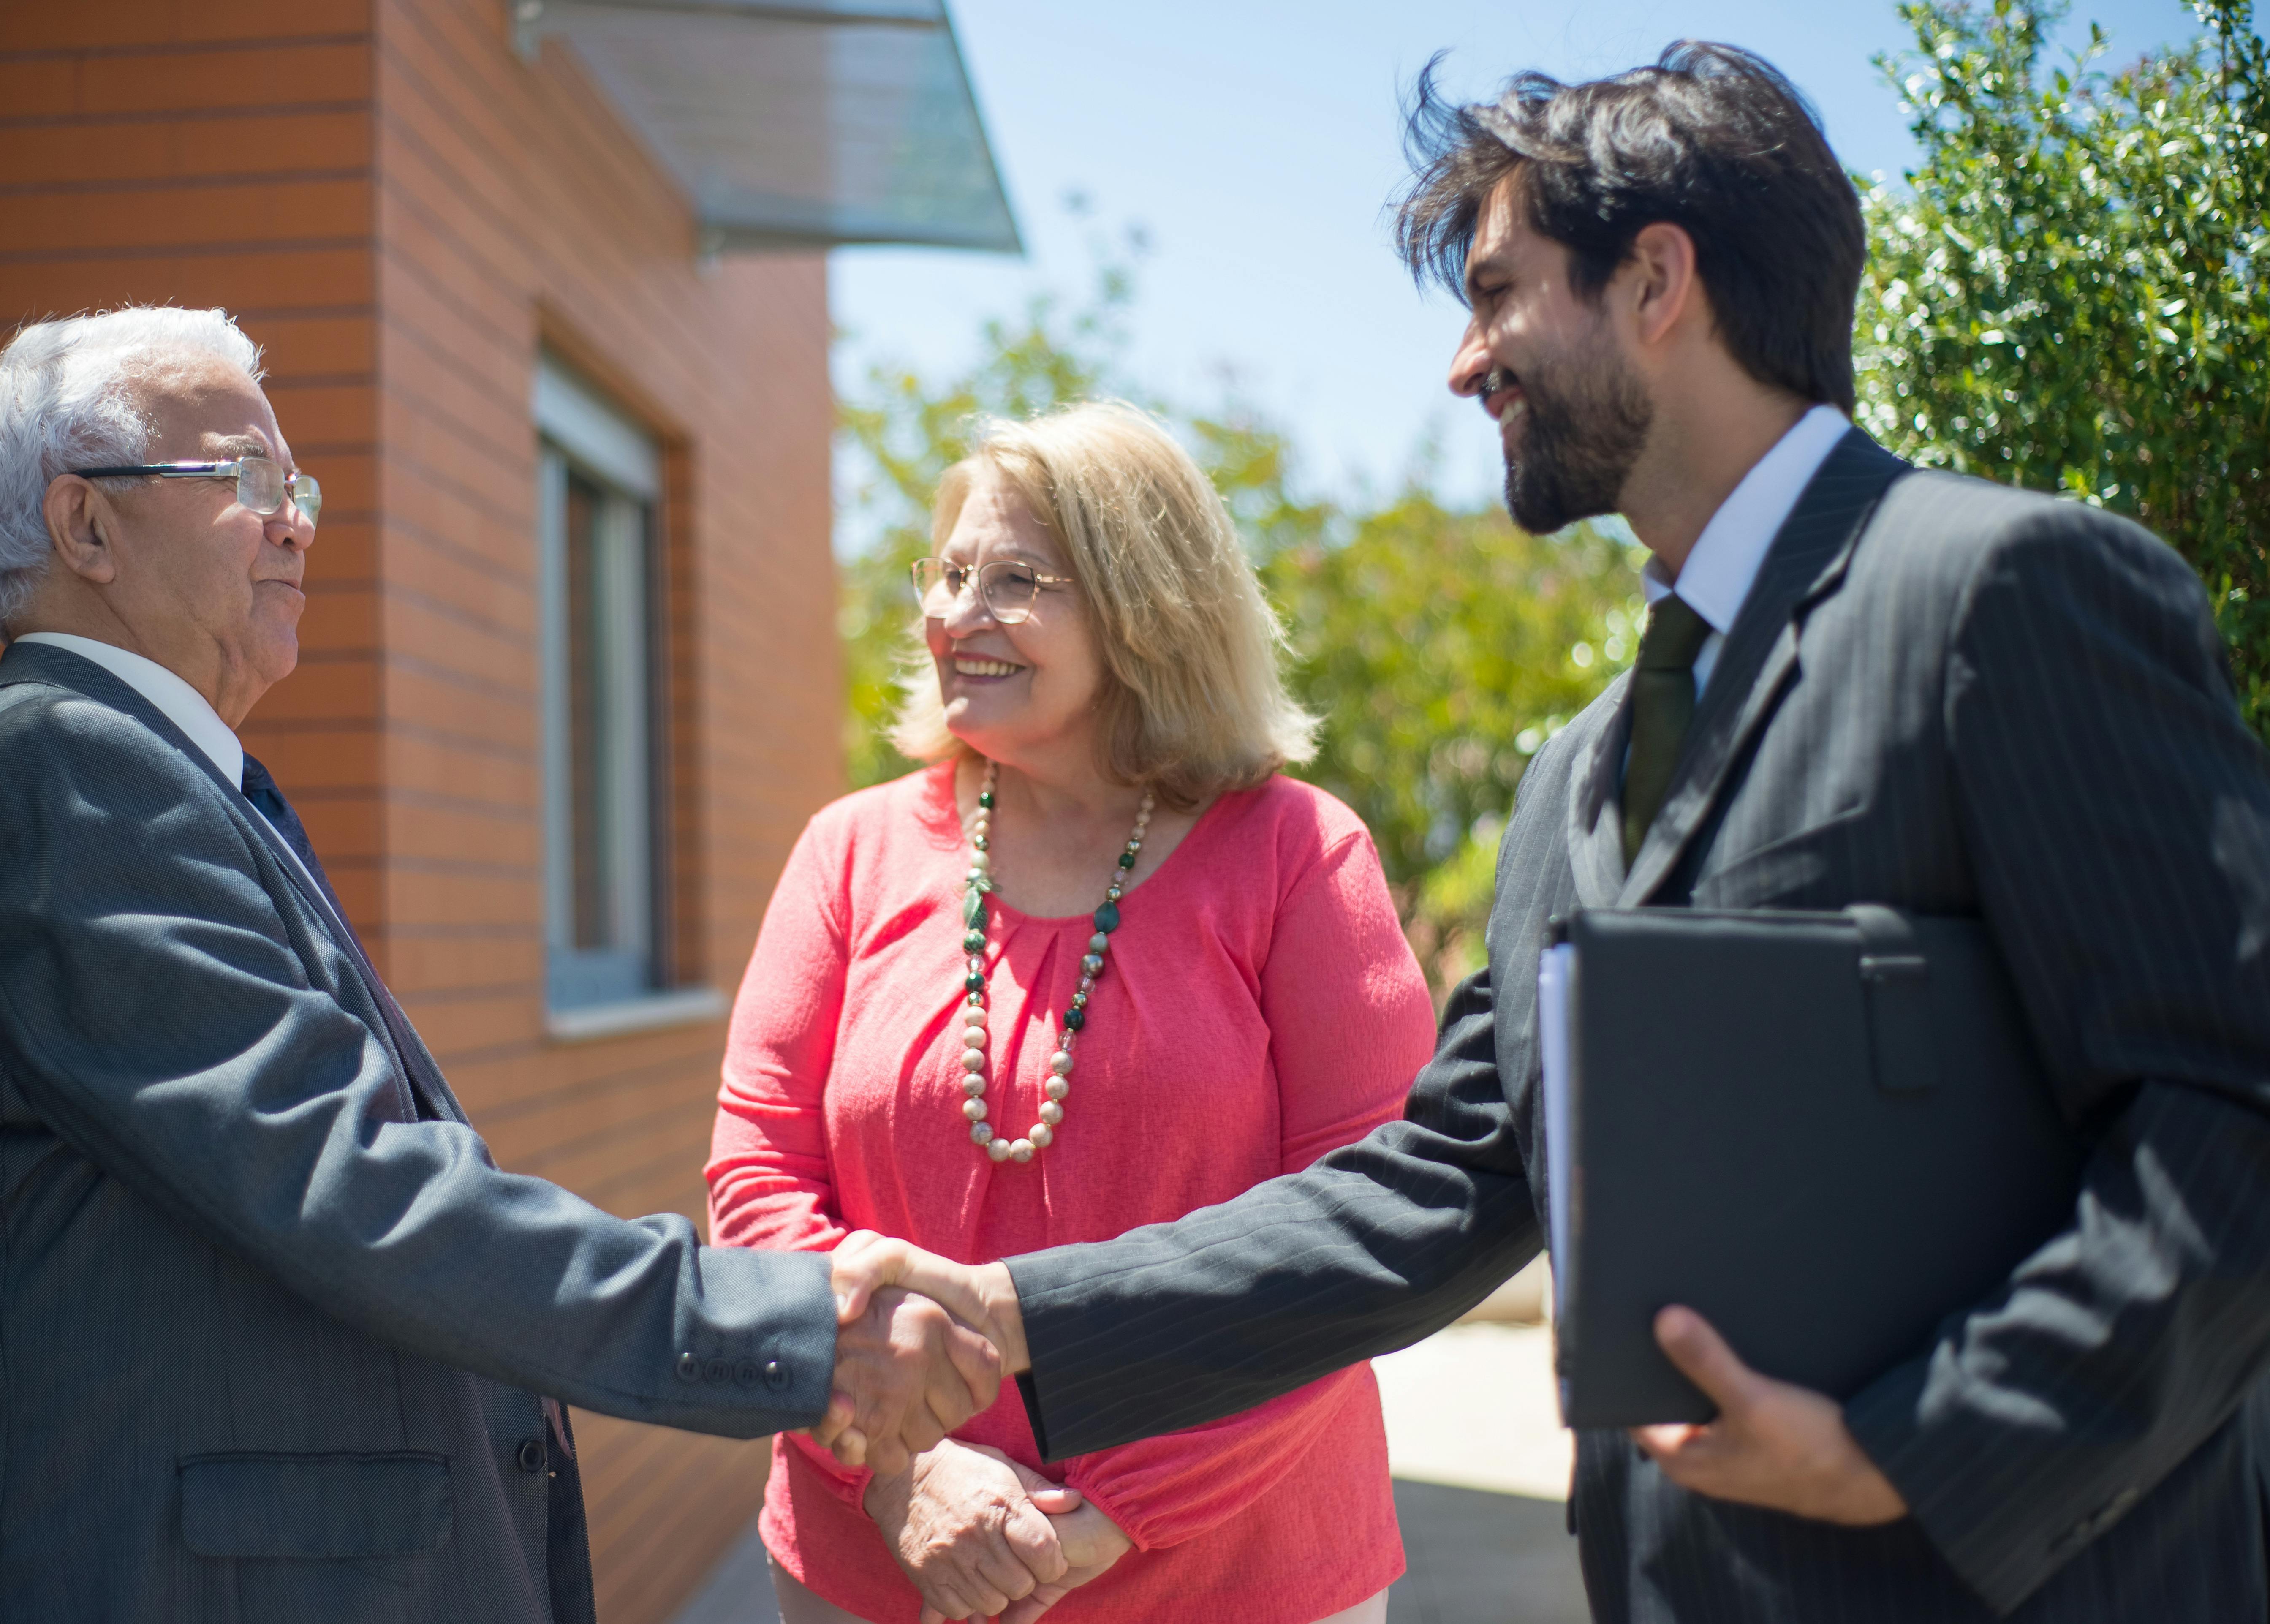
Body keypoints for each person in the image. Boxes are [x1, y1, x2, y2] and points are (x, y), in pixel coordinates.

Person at [828, 44, 2270, 1624]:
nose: (1465, 362)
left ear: (1659, 281)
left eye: (1501, 292)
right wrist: (1017, 1309)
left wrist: (1914, 1447)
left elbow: (2230, 1107)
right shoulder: (1577, 778)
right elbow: (1438, 1186)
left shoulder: (2010, 598)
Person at [0, 306, 997, 1624]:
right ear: (87, 528)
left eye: (296, 486)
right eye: (243, 479)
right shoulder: (64, 772)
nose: (295, 520)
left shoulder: (146, 771)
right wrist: (782, 1324)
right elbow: (350, 1187)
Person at [708, 402, 1434, 1624]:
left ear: (1143, 607)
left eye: (1014, 579)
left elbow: (1366, 1238)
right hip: (879, 1563)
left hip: (1240, 1575)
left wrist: (1110, 1513)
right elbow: (757, 1191)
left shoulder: (1300, 857)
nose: (953, 613)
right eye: (945, 574)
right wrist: (901, 1476)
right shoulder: (850, 852)